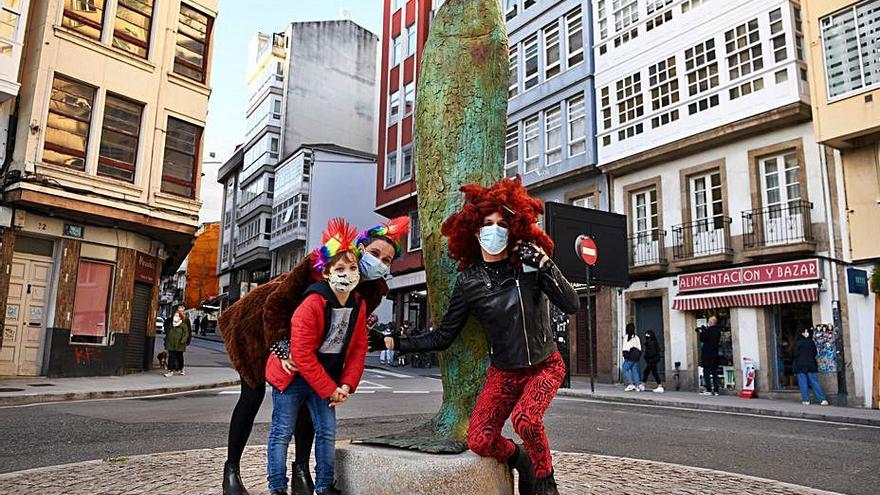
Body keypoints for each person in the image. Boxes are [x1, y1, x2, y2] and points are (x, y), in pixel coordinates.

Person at [384, 177, 579, 495]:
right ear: (475, 231)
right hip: (503, 371)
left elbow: (570, 304)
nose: (495, 230)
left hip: (544, 365)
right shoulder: (468, 282)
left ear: (514, 227)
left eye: (502, 224)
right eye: (487, 224)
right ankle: (521, 460)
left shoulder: (527, 268)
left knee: (526, 420)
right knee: (480, 439)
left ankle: (544, 480)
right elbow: (443, 336)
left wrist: (544, 264)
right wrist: (393, 342)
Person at [218, 217, 408, 495]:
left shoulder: (373, 288)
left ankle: (301, 472)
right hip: (259, 324)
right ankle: (231, 472)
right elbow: (278, 302)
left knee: (308, 397)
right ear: (360, 249)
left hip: (310, 339)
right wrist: (282, 346)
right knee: (252, 394)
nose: (380, 262)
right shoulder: (324, 260)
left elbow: (350, 327)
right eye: (375, 253)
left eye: (388, 260)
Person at [265, 219, 369, 495]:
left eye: (352, 268)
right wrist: (331, 389)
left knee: (326, 432)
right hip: (293, 376)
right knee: (282, 432)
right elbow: (301, 353)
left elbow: (359, 346)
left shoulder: (358, 303)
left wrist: (346, 384)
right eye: (340, 269)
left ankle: (325, 487)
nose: (347, 274)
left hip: (325, 378)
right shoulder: (311, 303)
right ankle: (277, 487)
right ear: (326, 273)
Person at [793, 328, 829, 406]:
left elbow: (794, 354)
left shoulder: (797, 343)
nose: (806, 333)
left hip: (800, 365)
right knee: (814, 382)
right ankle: (822, 399)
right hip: (810, 364)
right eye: (805, 332)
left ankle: (806, 400)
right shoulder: (811, 342)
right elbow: (815, 353)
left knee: (803, 383)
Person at [697, 316, 722, 396]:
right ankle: (716, 390)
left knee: (706, 372)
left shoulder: (708, 331)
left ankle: (708, 389)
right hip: (715, 354)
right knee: (714, 372)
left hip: (707, 354)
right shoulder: (718, 331)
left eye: (709, 321)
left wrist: (702, 331)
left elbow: (702, 339)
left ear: (711, 322)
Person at [164, 306, 192, 377]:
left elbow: (188, 332)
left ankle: (181, 368)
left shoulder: (185, 322)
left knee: (179, 357)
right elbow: (167, 328)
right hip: (171, 343)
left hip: (180, 344)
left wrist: (185, 340)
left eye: (181, 311)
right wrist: (167, 340)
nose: (180, 312)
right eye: (178, 311)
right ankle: (170, 370)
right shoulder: (171, 323)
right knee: (171, 357)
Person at [622, 323, 643, 392]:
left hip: (629, 356)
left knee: (624, 369)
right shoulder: (636, 337)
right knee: (635, 371)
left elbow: (625, 347)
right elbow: (639, 348)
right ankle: (637, 385)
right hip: (636, 356)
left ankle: (630, 384)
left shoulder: (627, 337)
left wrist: (625, 355)